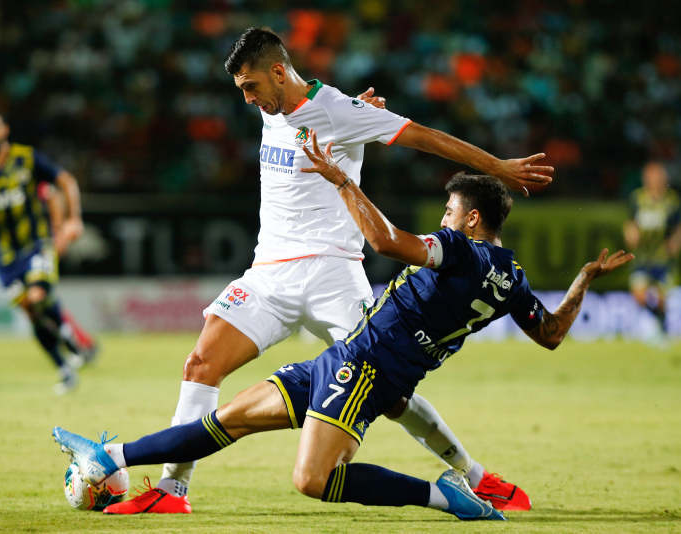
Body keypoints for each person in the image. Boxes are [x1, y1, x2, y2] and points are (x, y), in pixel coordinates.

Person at [53, 133, 632, 520]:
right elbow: (551, 333)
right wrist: (583, 279)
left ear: (472, 219)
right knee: (224, 421)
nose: (443, 218)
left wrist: (341, 181)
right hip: (347, 358)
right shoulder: (512, 279)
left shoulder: (460, 250)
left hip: (365, 371)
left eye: (449, 211)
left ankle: (446, 497)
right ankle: (110, 457)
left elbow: (385, 241)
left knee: (312, 480)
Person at [132, 27, 555, 513]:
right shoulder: (278, 107)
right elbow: (310, 113)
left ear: (278, 72)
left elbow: (426, 138)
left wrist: (498, 167)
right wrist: (352, 112)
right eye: (241, 89)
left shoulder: (340, 111)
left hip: (332, 273)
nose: (247, 99)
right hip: (269, 274)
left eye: (251, 86)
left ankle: (475, 477)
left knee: (391, 394)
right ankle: (172, 491)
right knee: (201, 364)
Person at [0, 109, 96, 395]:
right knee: (30, 311)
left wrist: (72, 220)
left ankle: (68, 336)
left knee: (37, 296)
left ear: (5, 130)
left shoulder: (27, 159)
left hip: (36, 244)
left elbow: (64, 183)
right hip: (4, 256)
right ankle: (64, 368)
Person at [623, 161, 681, 336]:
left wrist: (675, 242)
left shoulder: (673, 201)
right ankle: (657, 320)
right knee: (639, 296)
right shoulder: (637, 199)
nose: (654, 179)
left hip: (663, 259)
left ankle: (661, 324)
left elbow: (680, 228)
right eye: (650, 176)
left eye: (657, 176)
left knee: (662, 299)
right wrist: (630, 234)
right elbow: (630, 223)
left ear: (664, 178)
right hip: (642, 258)